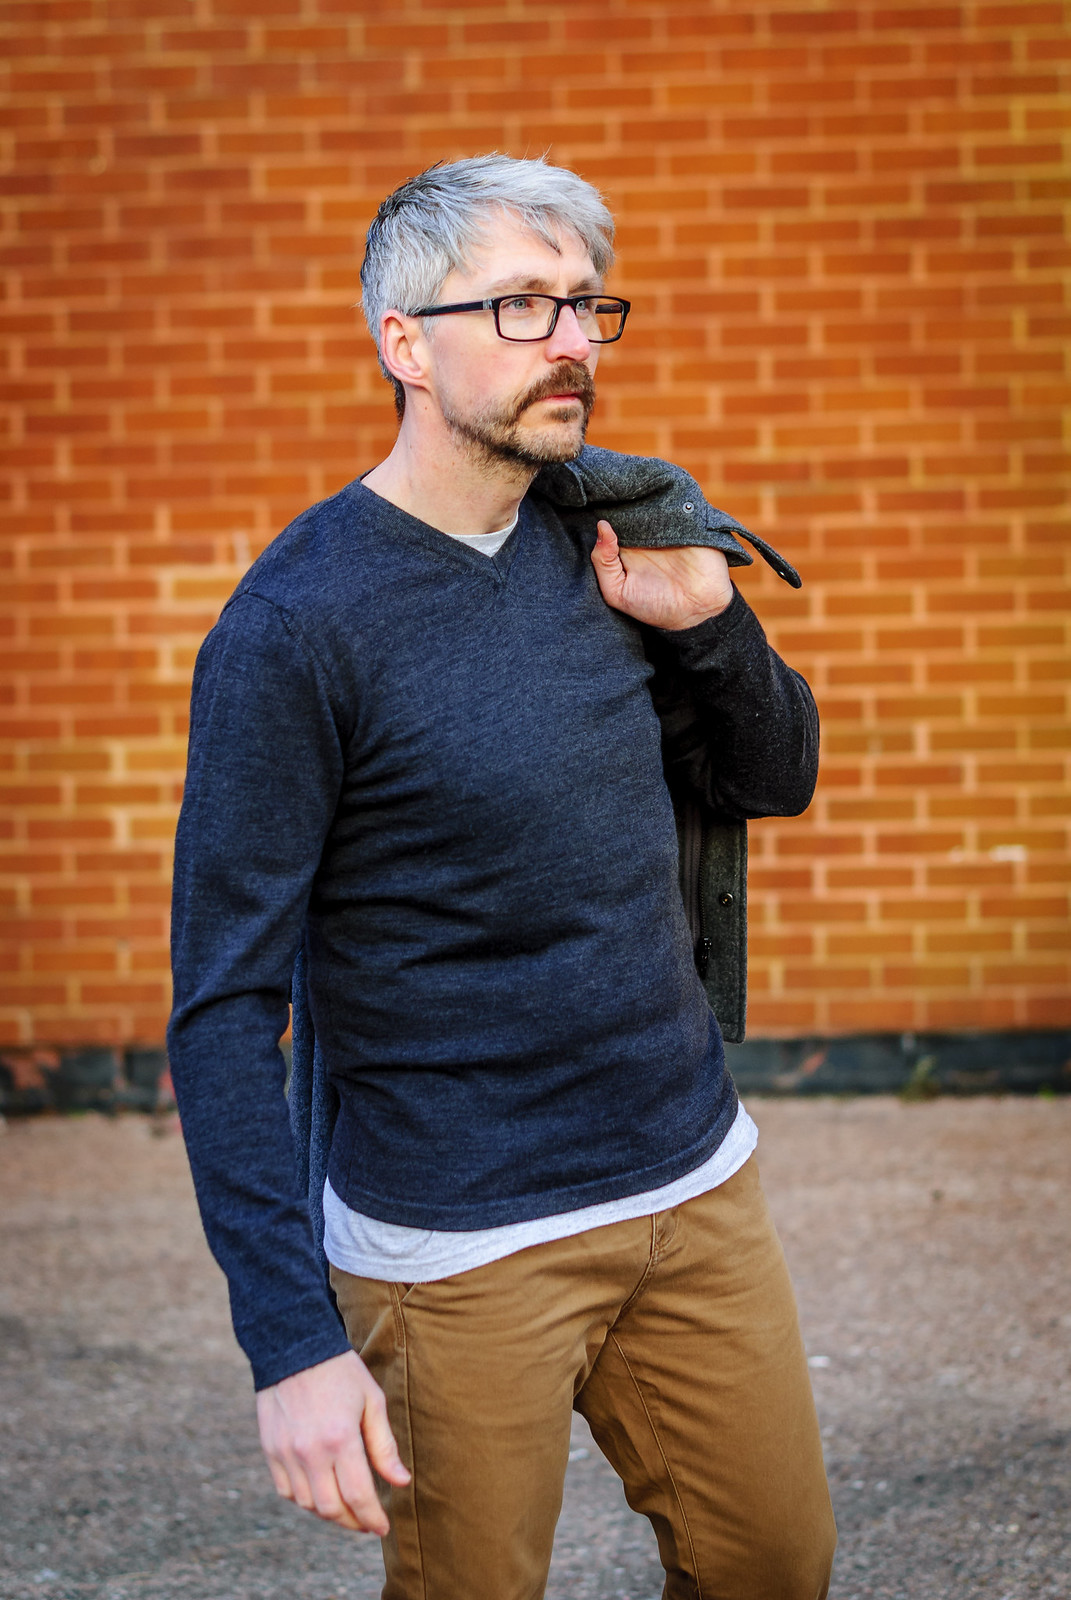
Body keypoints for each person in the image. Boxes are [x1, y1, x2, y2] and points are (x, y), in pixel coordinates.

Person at [168, 154, 836, 1600]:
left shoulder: (612, 535)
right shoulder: (295, 629)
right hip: (455, 1245)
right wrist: (291, 1341)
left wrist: (711, 622)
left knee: (774, 1566)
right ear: (404, 344)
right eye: (523, 305)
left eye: (589, 306)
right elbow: (222, 1005)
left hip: (690, 1180)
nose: (575, 345)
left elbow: (774, 777)